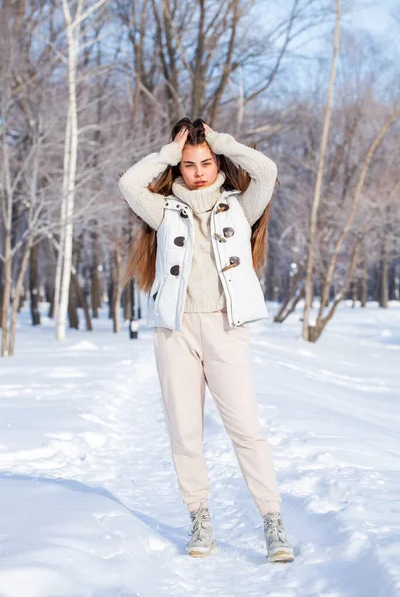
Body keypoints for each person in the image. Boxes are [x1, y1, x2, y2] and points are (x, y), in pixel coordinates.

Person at [118, 118, 294, 563]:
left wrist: (222, 141)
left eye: (206, 162)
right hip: (175, 332)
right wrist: (166, 153)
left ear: (218, 163)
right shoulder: (164, 211)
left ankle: (273, 523)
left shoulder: (240, 207)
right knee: (185, 432)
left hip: (224, 328)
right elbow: (128, 182)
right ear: (178, 168)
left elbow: (267, 171)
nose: (198, 171)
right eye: (189, 164)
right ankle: (199, 518)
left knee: (247, 431)